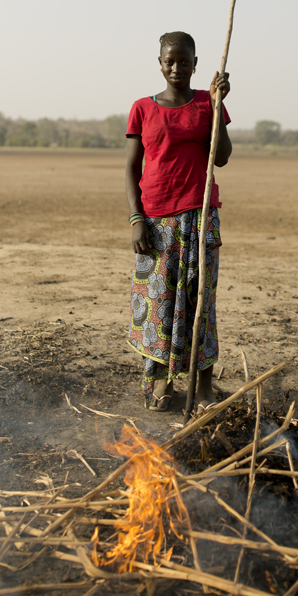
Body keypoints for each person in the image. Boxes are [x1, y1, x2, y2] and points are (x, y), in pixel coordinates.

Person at [125, 31, 232, 412]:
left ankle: (203, 387)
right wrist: (137, 218)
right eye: (169, 61)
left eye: (183, 61)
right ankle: (159, 383)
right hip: (155, 220)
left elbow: (220, 157)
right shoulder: (142, 108)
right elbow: (130, 169)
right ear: (159, 63)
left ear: (195, 64)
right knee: (158, 303)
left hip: (200, 216)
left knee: (200, 302)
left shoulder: (207, 103)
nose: (176, 68)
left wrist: (218, 107)